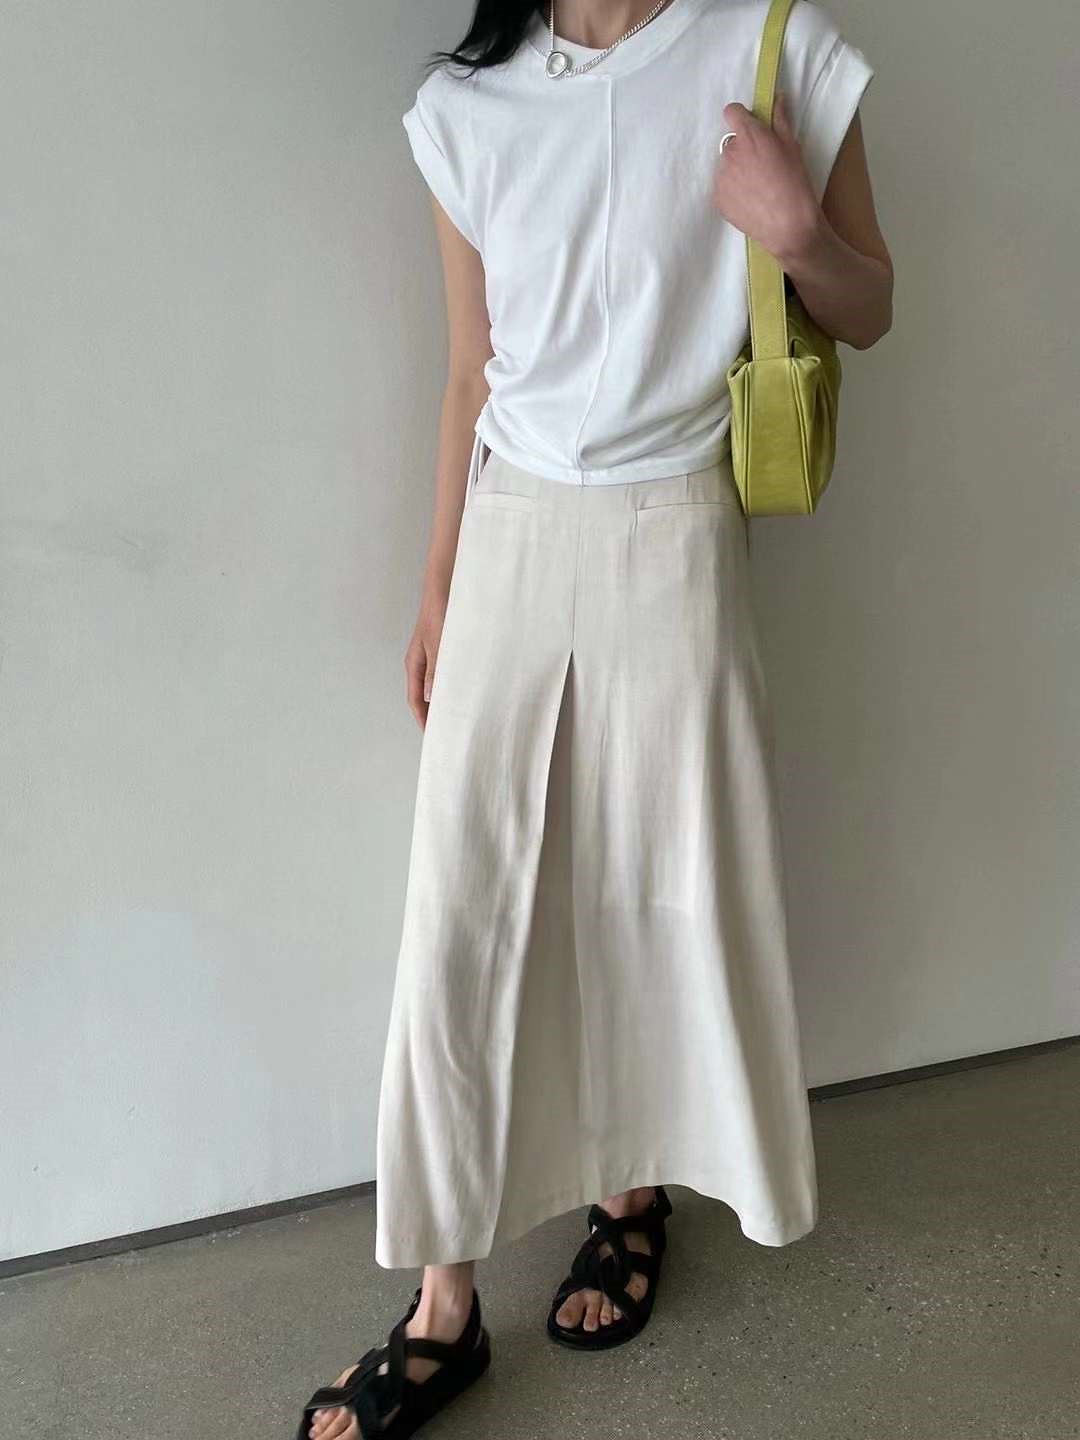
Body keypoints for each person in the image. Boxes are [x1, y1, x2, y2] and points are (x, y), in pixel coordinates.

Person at [296, 0, 893, 1435]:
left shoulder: (771, 46)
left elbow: (871, 305)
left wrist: (796, 230)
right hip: (511, 527)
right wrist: (438, 587)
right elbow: (470, 370)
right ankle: (443, 1306)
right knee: (464, 915)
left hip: (676, 528)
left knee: (647, 893)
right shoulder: (469, 104)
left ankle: (631, 1198)